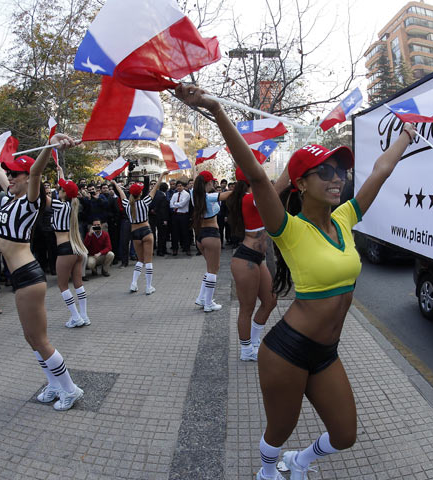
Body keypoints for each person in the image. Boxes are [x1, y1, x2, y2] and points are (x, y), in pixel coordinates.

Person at [175, 84, 418, 480]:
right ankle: (267, 471)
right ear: (301, 183)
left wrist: (409, 132)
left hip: (327, 352)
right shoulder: (288, 228)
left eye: (340, 171)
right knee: (279, 429)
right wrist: (217, 109)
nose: (337, 177)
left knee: (345, 435)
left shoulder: (344, 218)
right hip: (288, 351)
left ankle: (299, 461)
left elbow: (382, 170)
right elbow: (255, 175)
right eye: (325, 172)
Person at [0, 135, 84, 411]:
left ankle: (70, 389)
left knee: (40, 339)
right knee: (31, 338)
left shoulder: (30, 201)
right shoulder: (9, 197)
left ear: (28, 179)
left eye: (16, 174)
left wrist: (50, 147)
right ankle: (53, 384)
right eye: (11, 174)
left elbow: (37, 171)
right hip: (20, 278)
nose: (10, 177)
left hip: (28, 276)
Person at [227, 168, 277, 361]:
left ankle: (254, 342)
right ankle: (246, 349)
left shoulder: (250, 197)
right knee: (246, 308)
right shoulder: (249, 198)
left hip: (257, 259)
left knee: (271, 300)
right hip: (245, 258)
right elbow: (274, 193)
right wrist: (289, 172)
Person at [111, 171, 167, 295]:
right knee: (148, 260)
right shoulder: (145, 202)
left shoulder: (126, 204)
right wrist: (161, 176)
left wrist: (115, 183)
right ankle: (148, 287)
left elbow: (121, 193)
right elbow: (155, 188)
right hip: (146, 231)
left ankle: (134, 283)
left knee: (140, 260)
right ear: (140, 193)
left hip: (134, 233)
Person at [51, 165, 90, 328]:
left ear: (64, 193)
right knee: (78, 283)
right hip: (75, 247)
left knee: (62, 285)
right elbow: (65, 188)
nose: (57, 190)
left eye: (60, 189)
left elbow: (40, 196)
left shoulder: (60, 206)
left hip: (65, 249)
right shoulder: (71, 206)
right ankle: (84, 316)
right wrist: (60, 172)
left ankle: (75, 317)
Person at [191, 171, 233, 312]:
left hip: (200, 236)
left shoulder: (194, 194)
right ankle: (208, 303)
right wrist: (240, 187)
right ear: (208, 183)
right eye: (212, 183)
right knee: (214, 270)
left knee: (210, 269)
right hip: (211, 235)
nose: (214, 185)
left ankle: (202, 298)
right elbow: (227, 195)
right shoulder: (208, 197)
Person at [169, 180, 191, 256]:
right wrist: (176, 204)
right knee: (174, 233)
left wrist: (175, 204)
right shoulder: (175, 195)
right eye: (177, 186)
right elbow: (171, 205)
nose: (179, 187)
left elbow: (182, 204)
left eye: (180, 186)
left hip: (184, 215)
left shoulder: (186, 194)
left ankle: (187, 248)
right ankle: (175, 249)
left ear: (183, 186)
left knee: (185, 233)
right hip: (175, 215)